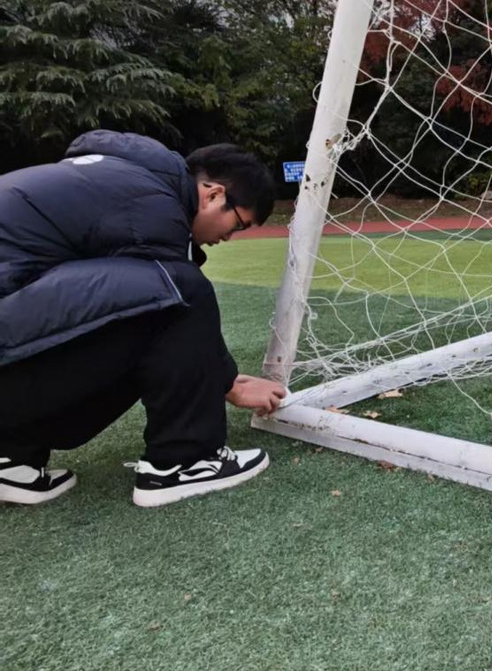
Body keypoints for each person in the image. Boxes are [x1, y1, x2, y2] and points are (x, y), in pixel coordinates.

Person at [0, 130, 287, 508]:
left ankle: (12, 456)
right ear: (214, 194)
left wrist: (224, 377)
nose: (228, 238)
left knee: (158, 297)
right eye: (237, 225)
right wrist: (229, 384)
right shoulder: (152, 205)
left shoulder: (125, 180)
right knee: (179, 287)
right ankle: (185, 460)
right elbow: (175, 295)